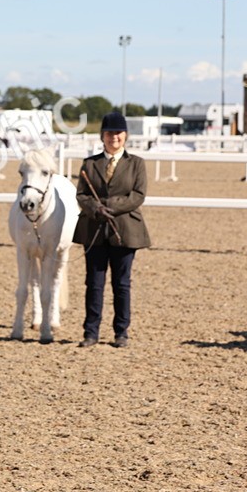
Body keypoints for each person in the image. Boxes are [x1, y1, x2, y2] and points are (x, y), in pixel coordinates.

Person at [73, 111, 150, 348]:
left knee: (121, 284)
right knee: (94, 284)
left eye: (118, 133)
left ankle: (121, 332)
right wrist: (96, 208)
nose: (114, 137)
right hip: (94, 230)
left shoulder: (136, 163)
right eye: (109, 133)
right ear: (102, 136)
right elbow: (81, 194)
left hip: (125, 231)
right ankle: (91, 332)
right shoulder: (90, 164)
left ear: (125, 135)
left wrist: (110, 206)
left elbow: (137, 195)